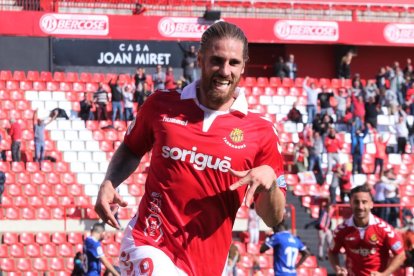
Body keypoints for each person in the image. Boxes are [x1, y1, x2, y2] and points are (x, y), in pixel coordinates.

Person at [94, 21, 286, 276]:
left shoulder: (260, 132)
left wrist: (270, 183)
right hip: (148, 243)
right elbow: (131, 148)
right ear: (200, 59)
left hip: (208, 264)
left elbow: (273, 218)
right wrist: (110, 181)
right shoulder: (161, 105)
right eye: (217, 60)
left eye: (233, 63)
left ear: (243, 66)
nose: (224, 71)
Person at [328, 184, 406, 276]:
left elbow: (401, 255)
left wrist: (384, 274)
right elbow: (332, 252)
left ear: (371, 204)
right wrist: (338, 269)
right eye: (356, 202)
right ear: (350, 204)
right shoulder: (341, 230)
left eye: (364, 202)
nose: (360, 207)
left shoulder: (384, 229)